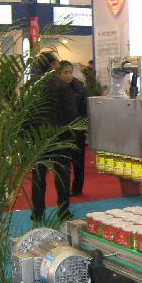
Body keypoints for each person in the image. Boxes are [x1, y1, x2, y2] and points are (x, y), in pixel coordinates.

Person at [30, 54, 77, 221]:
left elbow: (24, 111)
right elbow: (71, 113)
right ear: (52, 64)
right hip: (59, 135)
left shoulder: (31, 84)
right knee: (62, 175)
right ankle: (63, 210)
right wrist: (72, 133)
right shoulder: (61, 85)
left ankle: (37, 212)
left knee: (38, 175)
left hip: (37, 136)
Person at [59, 61, 88, 196]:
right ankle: (63, 190)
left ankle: (77, 188)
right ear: (58, 73)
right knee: (63, 163)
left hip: (77, 130)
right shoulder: (55, 87)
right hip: (60, 131)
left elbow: (85, 110)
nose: (69, 75)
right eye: (65, 73)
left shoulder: (79, 87)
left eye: (70, 72)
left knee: (78, 162)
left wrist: (83, 127)